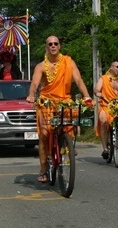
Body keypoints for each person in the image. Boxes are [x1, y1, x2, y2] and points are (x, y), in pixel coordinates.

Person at [26, 35, 91, 183]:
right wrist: (31, 95)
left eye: (56, 43)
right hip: (46, 102)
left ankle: (67, 144)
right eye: (50, 44)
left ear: (59, 46)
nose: (53, 46)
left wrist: (87, 96)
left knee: (72, 118)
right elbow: (35, 84)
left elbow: (78, 80)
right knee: (43, 133)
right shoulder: (41, 66)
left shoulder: (69, 62)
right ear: (46, 47)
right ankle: (43, 168)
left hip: (64, 100)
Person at [94, 60, 118, 159]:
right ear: (111, 68)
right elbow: (96, 89)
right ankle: (105, 149)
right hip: (106, 105)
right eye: (117, 66)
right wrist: (98, 93)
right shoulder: (104, 78)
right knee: (103, 121)